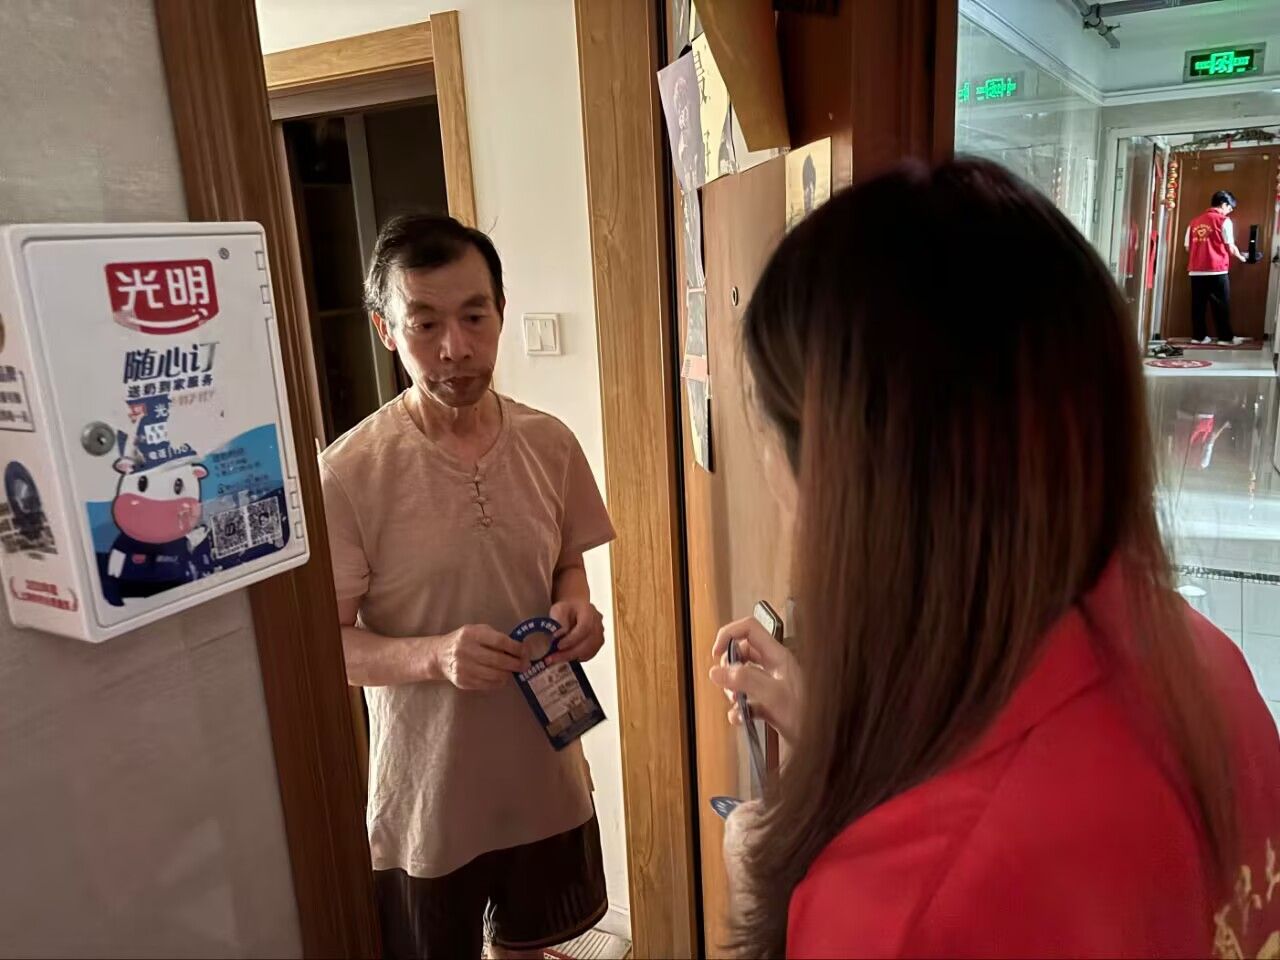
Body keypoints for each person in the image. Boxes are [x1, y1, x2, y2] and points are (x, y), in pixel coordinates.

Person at [709, 159, 1280, 958]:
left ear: (851, 492)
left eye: (768, 442)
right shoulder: (1204, 662)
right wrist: (842, 745)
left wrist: (773, 892)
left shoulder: (903, 905)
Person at [320, 214, 616, 959]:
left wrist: (576, 605)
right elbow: (326, 647)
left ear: (500, 314)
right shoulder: (349, 474)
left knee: (530, 947)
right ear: (388, 332)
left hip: (544, 774)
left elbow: (564, 561)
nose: (455, 347)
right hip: (428, 798)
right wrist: (434, 655)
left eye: (474, 317)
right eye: (424, 324)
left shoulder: (550, 442)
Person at [1186, 189, 1248, 346]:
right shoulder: (1223, 221)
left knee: (1198, 305)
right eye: (1230, 207)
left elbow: (1187, 246)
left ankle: (1199, 337)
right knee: (1221, 305)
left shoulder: (1194, 222)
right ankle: (1225, 338)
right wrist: (1243, 258)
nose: (1230, 211)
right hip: (1217, 269)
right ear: (1223, 204)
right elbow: (1231, 246)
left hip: (1196, 270)